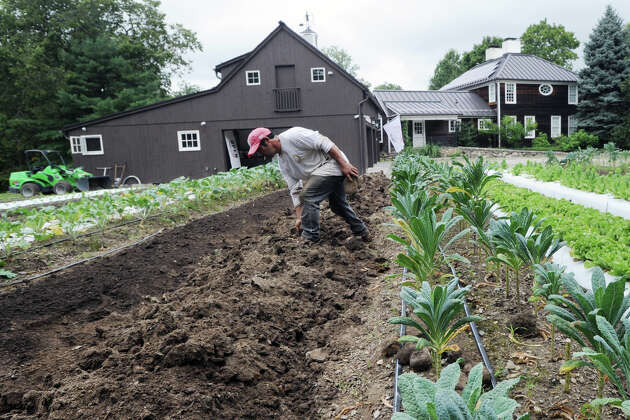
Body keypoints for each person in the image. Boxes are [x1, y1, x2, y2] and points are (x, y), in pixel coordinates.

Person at [247, 126, 370, 244]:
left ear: (267, 141)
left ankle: (310, 238)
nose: (260, 154)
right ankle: (361, 231)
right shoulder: (282, 163)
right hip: (320, 174)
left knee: (308, 194)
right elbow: (295, 190)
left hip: (332, 164)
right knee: (337, 205)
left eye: (259, 149)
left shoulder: (293, 135)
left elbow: (325, 142)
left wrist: (344, 165)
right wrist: (300, 218)